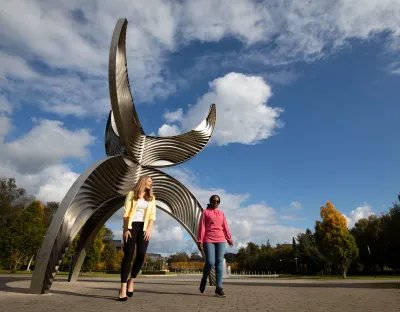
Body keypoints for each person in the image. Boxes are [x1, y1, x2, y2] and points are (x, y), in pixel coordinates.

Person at [118, 176, 156, 301]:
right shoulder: (131, 194)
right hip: (131, 226)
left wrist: (149, 229)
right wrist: (125, 229)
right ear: (143, 181)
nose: (151, 183)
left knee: (141, 255)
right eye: (149, 181)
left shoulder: (151, 198)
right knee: (128, 255)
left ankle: (131, 280)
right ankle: (123, 288)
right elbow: (126, 212)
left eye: (151, 182)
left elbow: (152, 215)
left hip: (144, 228)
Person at [197, 194, 233, 298]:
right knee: (210, 261)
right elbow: (202, 227)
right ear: (210, 201)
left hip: (221, 239)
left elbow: (225, 227)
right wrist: (200, 240)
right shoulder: (205, 212)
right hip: (208, 239)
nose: (215, 203)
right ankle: (204, 279)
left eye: (217, 201)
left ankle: (218, 288)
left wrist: (229, 239)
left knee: (220, 261)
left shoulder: (221, 214)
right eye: (213, 201)